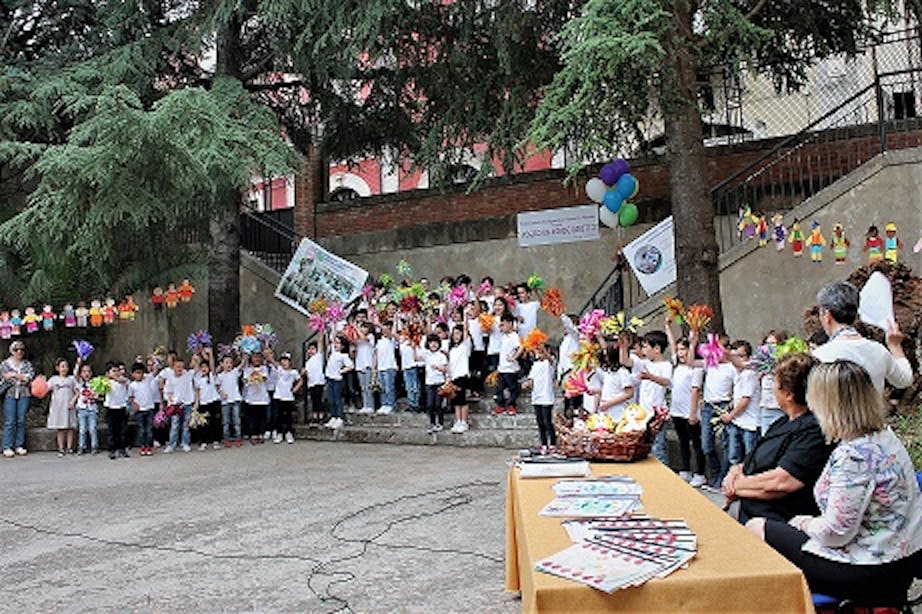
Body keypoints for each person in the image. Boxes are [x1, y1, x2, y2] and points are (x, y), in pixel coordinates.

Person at [748, 360, 922, 604]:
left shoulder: (855, 454)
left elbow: (835, 533)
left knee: (756, 528)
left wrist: (804, 523)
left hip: (871, 568)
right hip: (898, 557)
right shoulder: (884, 436)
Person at [723, 353, 832, 524]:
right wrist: (735, 471)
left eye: (775, 381)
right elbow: (754, 461)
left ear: (788, 393)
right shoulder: (782, 422)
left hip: (774, 519)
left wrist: (736, 485)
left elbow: (783, 482)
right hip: (747, 507)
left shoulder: (814, 430)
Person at [812, 281, 912, 393]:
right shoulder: (878, 350)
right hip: (873, 410)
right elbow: (905, 379)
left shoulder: (820, 357)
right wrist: (895, 346)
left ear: (827, 316)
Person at [688, 331, 736, 489]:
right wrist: (693, 343)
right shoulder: (710, 364)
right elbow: (691, 363)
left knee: (725, 444)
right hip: (709, 406)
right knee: (706, 445)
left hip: (724, 405)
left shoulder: (731, 367)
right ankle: (715, 474)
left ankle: (721, 478)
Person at [620, 330, 672, 465]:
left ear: (657, 349)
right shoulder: (644, 363)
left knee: (658, 448)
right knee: (645, 448)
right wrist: (623, 346)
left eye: (645, 347)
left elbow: (667, 382)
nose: (643, 350)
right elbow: (624, 361)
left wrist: (650, 377)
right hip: (643, 413)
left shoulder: (666, 365)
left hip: (658, 414)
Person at [666, 320, 706, 486]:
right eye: (680, 349)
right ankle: (685, 469)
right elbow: (671, 343)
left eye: (685, 349)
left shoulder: (696, 368)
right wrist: (668, 327)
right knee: (682, 440)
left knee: (696, 443)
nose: (681, 352)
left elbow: (695, 390)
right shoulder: (677, 365)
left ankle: (700, 472)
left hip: (690, 411)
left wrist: (692, 412)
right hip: (676, 410)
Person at [724, 340, 760, 469]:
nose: (737, 360)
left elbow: (745, 400)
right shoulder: (737, 374)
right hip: (737, 421)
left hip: (750, 424)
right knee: (733, 456)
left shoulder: (749, 374)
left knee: (750, 457)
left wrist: (730, 416)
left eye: (741, 356)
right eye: (734, 356)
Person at [2, 340, 34, 457]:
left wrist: (14, 375)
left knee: (21, 420)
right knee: (10, 420)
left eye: (21, 349)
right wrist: (20, 377)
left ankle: (19, 445)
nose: (19, 352)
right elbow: (6, 377)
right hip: (9, 394)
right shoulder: (5, 364)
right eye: (16, 349)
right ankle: (7, 446)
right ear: (11, 351)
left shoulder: (27, 364)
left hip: (23, 394)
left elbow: (29, 377)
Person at [523, 343, 557, 453]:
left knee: (548, 422)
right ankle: (544, 444)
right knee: (540, 422)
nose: (539, 354)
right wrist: (527, 383)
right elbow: (531, 378)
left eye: (541, 352)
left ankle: (552, 444)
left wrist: (543, 350)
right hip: (536, 396)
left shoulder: (549, 363)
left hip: (546, 396)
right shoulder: (535, 365)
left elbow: (550, 358)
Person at [594, 341, 633, 422]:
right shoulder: (609, 371)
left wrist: (608, 403)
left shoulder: (623, 372)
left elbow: (629, 393)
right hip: (606, 409)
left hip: (617, 411)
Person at [163, 356, 196, 453]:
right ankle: (171, 445)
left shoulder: (187, 375)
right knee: (175, 425)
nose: (180, 369)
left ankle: (185, 443)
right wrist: (170, 402)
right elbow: (168, 391)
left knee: (186, 425)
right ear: (173, 367)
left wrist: (195, 358)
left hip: (187, 403)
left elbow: (196, 368)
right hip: (175, 405)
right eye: (177, 366)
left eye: (181, 366)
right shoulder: (170, 378)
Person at [493, 312, 523, 416]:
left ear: (510, 324)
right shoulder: (504, 336)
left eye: (503, 324)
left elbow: (521, 347)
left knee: (512, 388)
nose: (501, 327)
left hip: (511, 368)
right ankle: (501, 405)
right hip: (502, 368)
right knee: (499, 388)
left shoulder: (514, 336)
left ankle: (512, 405)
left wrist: (514, 357)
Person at [419, 334, 448, 434]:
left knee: (438, 404)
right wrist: (414, 346)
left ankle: (440, 423)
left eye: (435, 342)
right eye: (431, 342)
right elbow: (416, 358)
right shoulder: (427, 354)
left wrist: (438, 368)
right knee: (430, 404)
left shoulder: (442, 355)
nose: (433, 344)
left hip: (439, 382)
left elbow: (446, 369)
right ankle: (432, 423)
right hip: (429, 383)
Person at [759, 330, 787, 435]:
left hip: (781, 409)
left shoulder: (786, 364)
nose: (769, 347)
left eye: (773, 344)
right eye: (767, 344)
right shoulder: (761, 364)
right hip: (766, 408)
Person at [46, 358, 77, 456]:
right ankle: (61, 448)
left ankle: (69, 447)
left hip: (69, 406)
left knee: (70, 427)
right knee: (61, 427)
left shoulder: (71, 379)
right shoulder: (54, 379)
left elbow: (77, 391)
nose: (64, 368)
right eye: (62, 366)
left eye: (66, 366)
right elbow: (45, 388)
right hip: (58, 406)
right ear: (57, 368)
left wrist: (72, 401)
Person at [324, 335, 353, 430]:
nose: (335, 345)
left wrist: (341, 371)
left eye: (338, 343)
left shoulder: (343, 356)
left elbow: (350, 366)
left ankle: (340, 417)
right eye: (335, 343)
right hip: (330, 379)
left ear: (343, 346)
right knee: (330, 399)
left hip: (337, 379)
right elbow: (332, 336)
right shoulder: (333, 352)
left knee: (337, 399)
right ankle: (333, 416)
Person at [447, 322, 472, 433]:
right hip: (454, 377)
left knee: (462, 400)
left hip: (462, 377)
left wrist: (465, 315)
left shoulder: (465, 346)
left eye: (458, 333)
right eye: (454, 334)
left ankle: (464, 421)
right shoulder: (452, 349)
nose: (456, 336)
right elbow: (450, 364)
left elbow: (466, 329)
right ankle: (458, 421)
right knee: (456, 401)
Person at [271, 352, 301, 443]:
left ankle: (288, 432)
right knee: (278, 415)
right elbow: (271, 360)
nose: (284, 363)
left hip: (288, 397)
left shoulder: (293, 372)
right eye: (282, 361)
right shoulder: (279, 369)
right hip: (278, 396)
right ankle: (279, 433)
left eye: (286, 360)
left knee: (288, 416)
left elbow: (300, 380)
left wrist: (296, 388)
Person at [194, 352, 222, 449]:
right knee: (203, 423)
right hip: (203, 403)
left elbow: (212, 365)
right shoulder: (198, 378)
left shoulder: (212, 376)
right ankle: (204, 441)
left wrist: (210, 355)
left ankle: (215, 440)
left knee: (215, 422)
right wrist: (197, 403)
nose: (204, 369)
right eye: (202, 367)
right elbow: (197, 392)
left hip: (214, 401)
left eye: (206, 367)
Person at [242, 351, 271, 443]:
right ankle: (253, 434)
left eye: (259, 357)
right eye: (255, 357)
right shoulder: (247, 369)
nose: (257, 359)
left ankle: (261, 433)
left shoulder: (264, 368)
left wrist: (256, 377)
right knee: (252, 417)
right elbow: (246, 380)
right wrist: (252, 377)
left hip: (262, 397)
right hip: (251, 397)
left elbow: (264, 378)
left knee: (262, 417)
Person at [128, 362, 155, 456]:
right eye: (137, 373)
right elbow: (130, 397)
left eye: (141, 372)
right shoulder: (132, 385)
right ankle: (142, 446)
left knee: (149, 429)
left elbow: (154, 371)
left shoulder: (147, 379)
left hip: (149, 409)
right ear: (133, 374)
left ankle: (149, 446)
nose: (140, 375)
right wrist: (133, 404)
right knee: (142, 430)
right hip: (139, 410)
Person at [104, 361, 130, 459]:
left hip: (121, 408)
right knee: (112, 431)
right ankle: (112, 450)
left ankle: (122, 449)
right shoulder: (106, 382)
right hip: (111, 408)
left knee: (122, 430)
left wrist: (117, 378)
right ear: (108, 373)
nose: (116, 373)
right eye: (113, 371)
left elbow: (125, 382)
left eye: (117, 371)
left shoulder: (123, 380)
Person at [74, 363, 99, 455]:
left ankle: (94, 446)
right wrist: (79, 361)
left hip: (92, 409)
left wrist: (95, 397)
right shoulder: (79, 383)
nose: (86, 374)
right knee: (82, 429)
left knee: (92, 428)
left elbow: (98, 395)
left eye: (88, 371)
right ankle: (81, 446)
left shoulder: (95, 383)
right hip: (82, 409)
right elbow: (75, 374)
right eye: (84, 371)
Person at [374, 321, 398, 415]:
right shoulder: (379, 341)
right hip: (381, 367)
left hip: (390, 367)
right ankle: (384, 404)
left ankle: (390, 404)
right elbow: (375, 355)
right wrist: (374, 368)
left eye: (387, 328)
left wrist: (378, 323)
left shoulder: (391, 339)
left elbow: (389, 333)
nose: (384, 330)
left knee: (389, 387)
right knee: (382, 388)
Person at [354, 320, 376, 414]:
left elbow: (365, 339)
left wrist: (355, 327)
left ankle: (370, 405)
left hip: (368, 365)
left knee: (368, 387)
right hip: (359, 365)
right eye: (362, 327)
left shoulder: (371, 337)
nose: (362, 329)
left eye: (364, 327)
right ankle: (365, 405)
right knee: (362, 387)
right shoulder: (359, 340)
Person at [303, 341, 326, 423]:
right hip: (311, 383)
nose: (310, 351)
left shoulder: (318, 357)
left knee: (319, 399)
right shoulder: (308, 362)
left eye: (313, 349)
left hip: (318, 382)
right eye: (309, 349)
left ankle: (321, 416)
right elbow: (307, 372)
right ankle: (315, 416)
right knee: (314, 400)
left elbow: (320, 344)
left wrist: (321, 331)